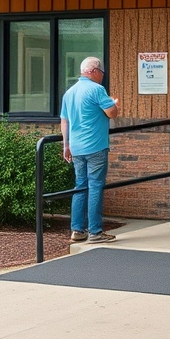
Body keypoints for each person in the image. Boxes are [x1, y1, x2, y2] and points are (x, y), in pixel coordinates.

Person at [60, 56, 120, 245]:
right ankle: (95, 231)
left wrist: (66, 145)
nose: (102, 76)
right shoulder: (97, 89)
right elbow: (112, 113)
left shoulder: (69, 93)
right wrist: (114, 104)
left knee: (80, 186)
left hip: (76, 147)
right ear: (94, 71)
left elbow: (64, 121)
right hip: (95, 146)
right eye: (101, 72)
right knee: (95, 187)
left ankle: (77, 230)